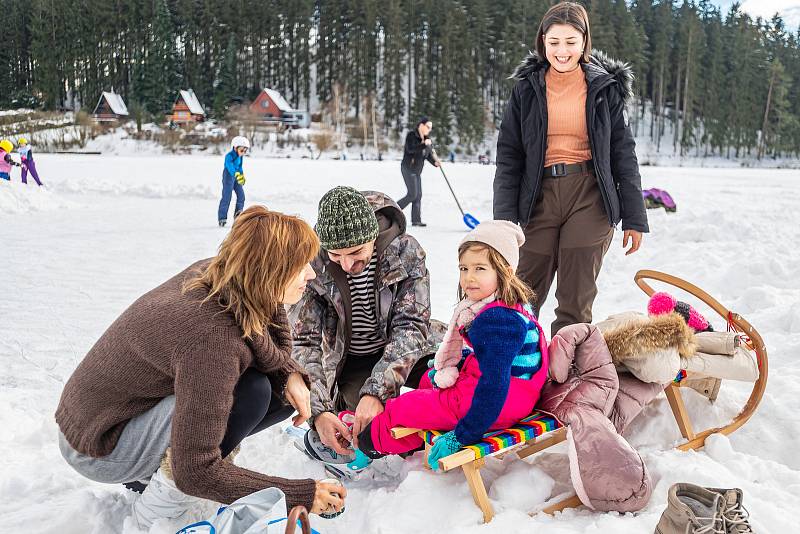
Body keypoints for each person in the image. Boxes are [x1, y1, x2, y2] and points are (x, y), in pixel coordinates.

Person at [55, 206, 346, 529]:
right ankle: (158, 508)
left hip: (115, 417)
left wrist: (288, 373)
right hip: (100, 445)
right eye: (300, 265)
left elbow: (267, 337)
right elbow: (195, 470)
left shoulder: (226, 276)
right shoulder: (211, 339)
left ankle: (155, 472)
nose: (311, 273)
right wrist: (300, 495)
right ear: (270, 271)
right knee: (250, 392)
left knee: (276, 392)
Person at [493, 1, 649, 337]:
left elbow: (623, 153)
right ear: (542, 42)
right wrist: (505, 219)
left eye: (570, 42)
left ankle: (569, 372)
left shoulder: (604, 89)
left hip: (589, 195)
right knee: (521, 291)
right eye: (554, 42)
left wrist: (635, 217)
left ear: (584, 42)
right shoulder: (526, 89)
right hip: (538, 196)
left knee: (575, 299)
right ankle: (516, 368)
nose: (562, 51)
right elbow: (509, 156)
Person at [350, 220, 550, 469]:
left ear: (505, 271)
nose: (469, 278)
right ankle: (412, 435)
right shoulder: (510, 306)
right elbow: (501, 360)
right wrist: (463, 362)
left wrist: (463, 436)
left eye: (480, 268)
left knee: (401, 407)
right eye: (464, 269)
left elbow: (494, 384)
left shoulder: (498, 321)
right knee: (428, 381)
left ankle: (367, 443)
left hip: (495, 403)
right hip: (516, 395)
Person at [289, 186, 439, 464]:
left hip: (409, 350)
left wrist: (378, 391)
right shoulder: (312, 264)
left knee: (446, 398)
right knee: (372, 432)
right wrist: (319, 411)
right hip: (354, 361)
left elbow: (411, 325)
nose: (346, 264)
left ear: (373, 237)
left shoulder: (406, 252)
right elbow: (302, 342)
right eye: (336, 255)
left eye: (356, 252)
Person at [397, 117, 440, 227]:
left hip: (417, 171)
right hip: (408, 168)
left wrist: (434, 163)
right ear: (421, 125)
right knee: (412, 194)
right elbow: (411, 149)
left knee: (418, 195)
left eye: (430, 128)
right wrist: (423, 144)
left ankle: (416, 220)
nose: (429, 129)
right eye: (428, 127)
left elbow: (427, 155)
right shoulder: (412, 135)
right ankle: (393, 211)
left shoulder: (427, 139)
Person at [218, 136, 249, 227]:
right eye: (242, 150)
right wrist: (236, 174)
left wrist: (242, 176)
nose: (243, 153)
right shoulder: (229, 156)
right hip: (228, 176)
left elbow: (239, 167)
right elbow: (229, 166)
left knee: (241, 196)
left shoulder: (240, 157)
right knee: (227, 197)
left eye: (245, 151)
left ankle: (238, 216)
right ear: (235, 147)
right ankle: (222, 218)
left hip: (237, 176)